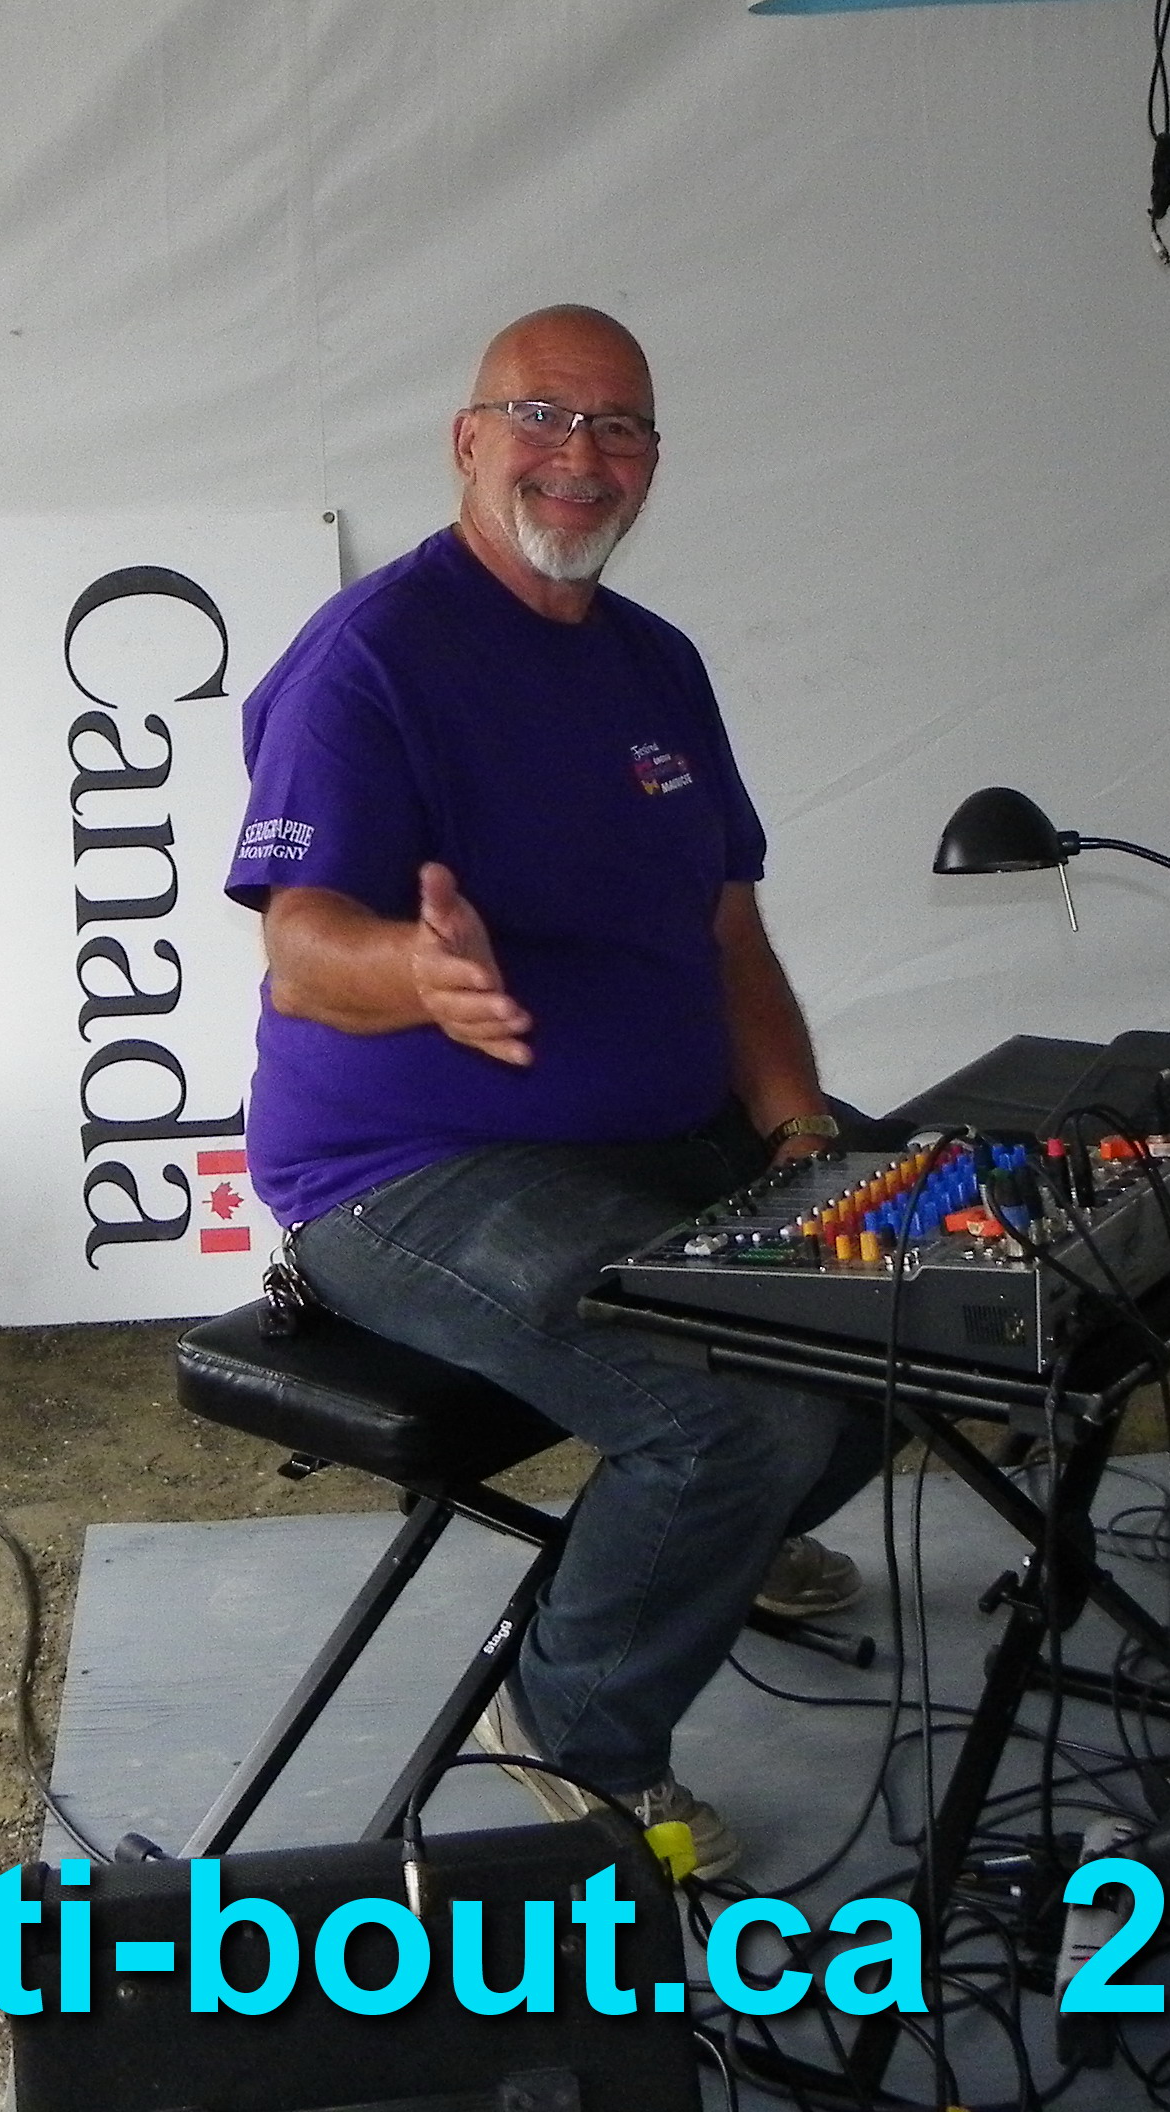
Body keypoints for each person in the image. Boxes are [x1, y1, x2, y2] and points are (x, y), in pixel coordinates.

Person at [226, 304, 887, 1879]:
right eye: (542, 415)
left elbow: (729, 931)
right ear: (469, 441)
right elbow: (303, 953)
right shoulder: (371, 658)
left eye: (621, 426)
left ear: (655, 459)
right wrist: (419, 973)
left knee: (908, 1278)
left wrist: (801, 1130)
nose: (581, 456)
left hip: (658, 1133)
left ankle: (727, 1547)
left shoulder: (657, 662)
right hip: (412, 1168)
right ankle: (576, 1732)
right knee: (729, 1418)